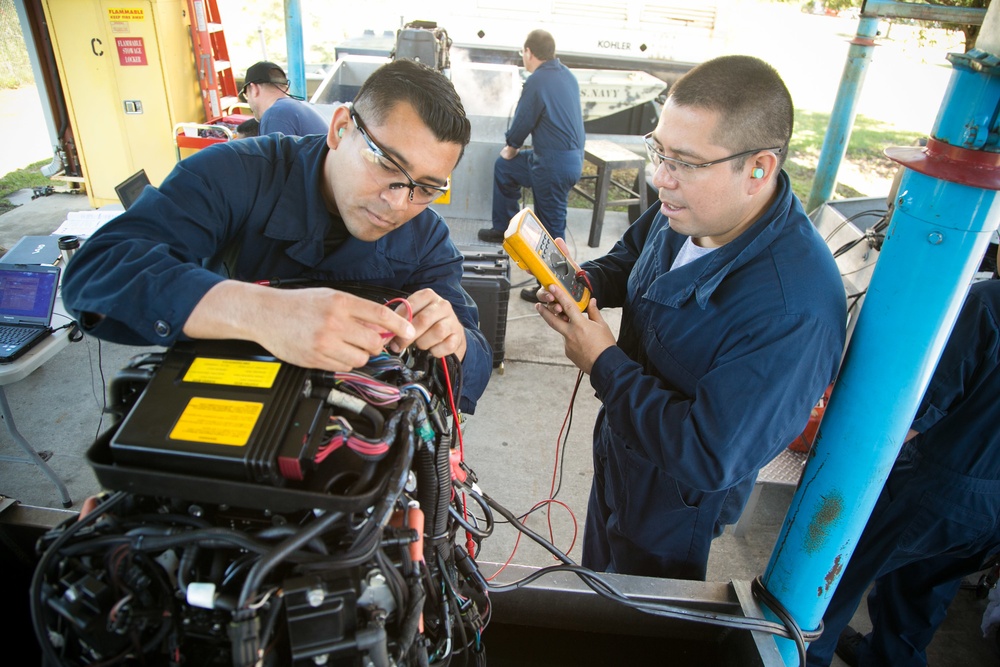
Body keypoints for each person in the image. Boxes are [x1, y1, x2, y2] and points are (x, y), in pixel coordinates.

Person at [533, 55, 847, 580]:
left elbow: (706, 452)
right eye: (658, 150)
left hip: (674, 505)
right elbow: (634, 257)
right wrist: (582, 281)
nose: (661, 178)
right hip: (622, 444)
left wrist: (603, 362)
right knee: (596, 589)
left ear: (758, 169)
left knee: (635, 624)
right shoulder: (689, 207)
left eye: (684, 161)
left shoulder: (794, 311)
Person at [62, 59, 492, 414]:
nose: (400, 202)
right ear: (341, 128)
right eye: (387, 165)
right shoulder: (235, 173)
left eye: (427, 187)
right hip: (219, 405)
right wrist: (262, 312)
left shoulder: (426, 237)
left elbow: (477, 361)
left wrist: (455, 341)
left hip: (352, 425)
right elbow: (100, 269)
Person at [806, 268, 1000, 667]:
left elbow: (916, 413)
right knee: (920, 597)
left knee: (827, 585)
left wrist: (836, 463)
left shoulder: (987, 304)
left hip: (936, 488)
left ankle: (803, 654)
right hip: (991, 513)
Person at [477, 29, 585, 303]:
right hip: (562, 159)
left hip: (552, 165)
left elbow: (524, 120)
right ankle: (504, 228)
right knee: (505, 168)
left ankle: (553, 289)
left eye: (522, 53)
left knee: (550, 230)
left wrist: (511, 146)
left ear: (528, 52)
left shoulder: (537, 80)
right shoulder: (566, 75)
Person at [240, 60, 330, 136]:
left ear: (254, 89)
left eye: (246, 94)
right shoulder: (302, 107)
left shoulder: (275, 115)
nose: (248, 101)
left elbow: (275, 157)